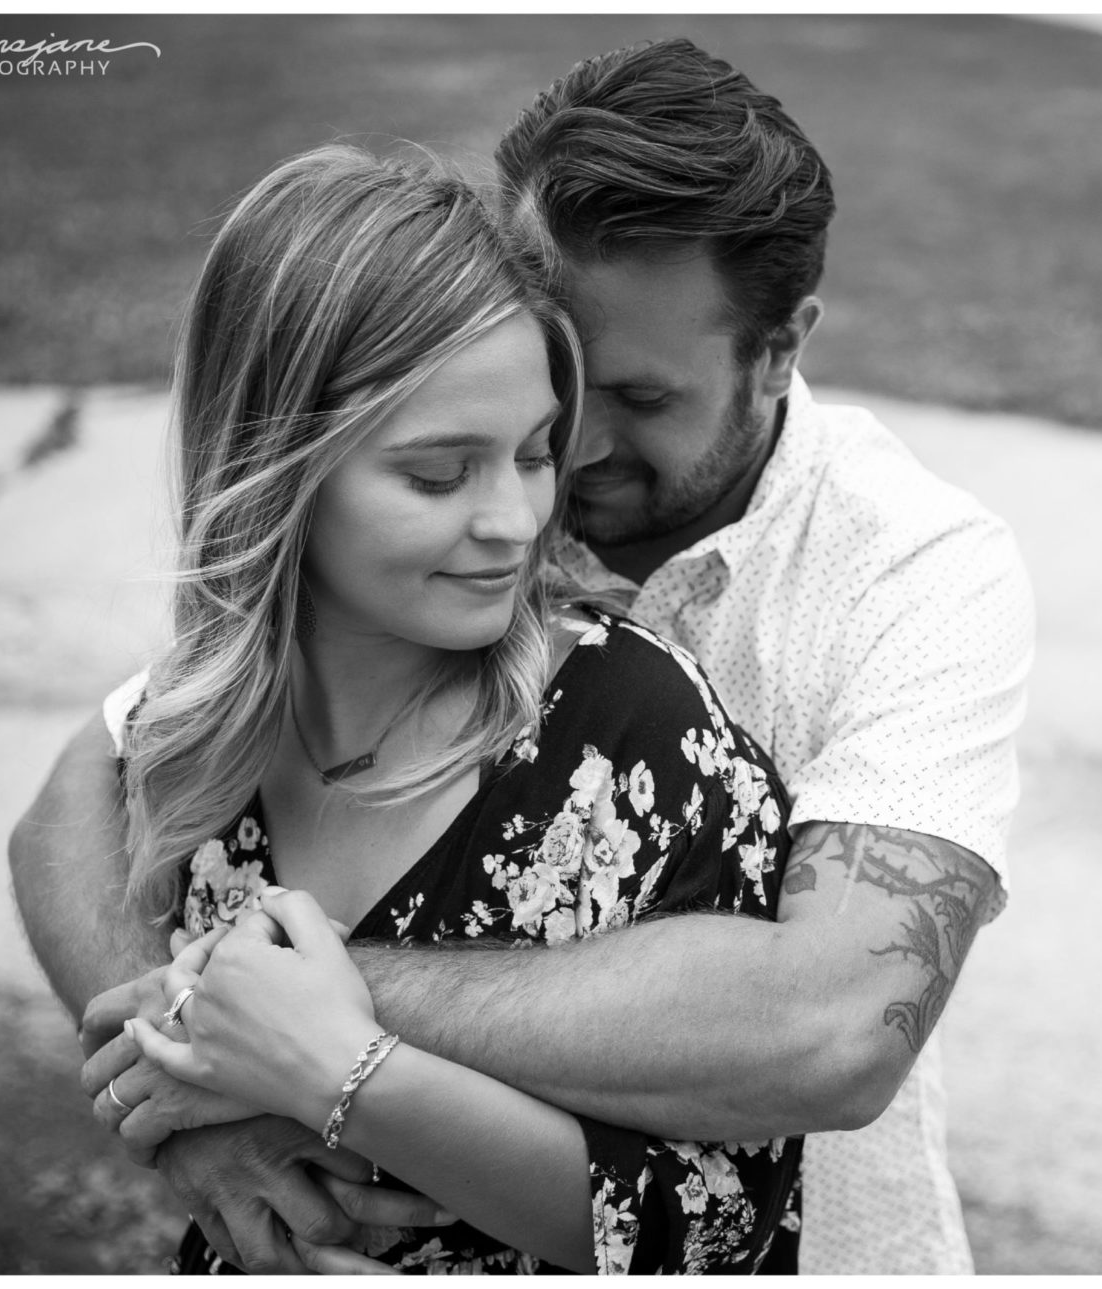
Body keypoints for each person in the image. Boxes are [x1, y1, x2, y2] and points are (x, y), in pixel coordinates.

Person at [13, 37, 1034, 1275]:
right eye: (557, 371)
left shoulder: (914, 570)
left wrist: (271, 1012)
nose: (574, 447)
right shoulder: (473, 495)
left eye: (639, 398)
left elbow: (834, 1025)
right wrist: (185, 1106)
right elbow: (86, 796)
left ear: (781, 347)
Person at [72, 142, 801, 1274]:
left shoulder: (640, 740)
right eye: (437, 473)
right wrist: (177, 1107)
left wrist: (337, 1073)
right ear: (277, 465)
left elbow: (713, 1229)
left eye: (533, 453)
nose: (514, 520)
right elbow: (135, 1008)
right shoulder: (191, 727)